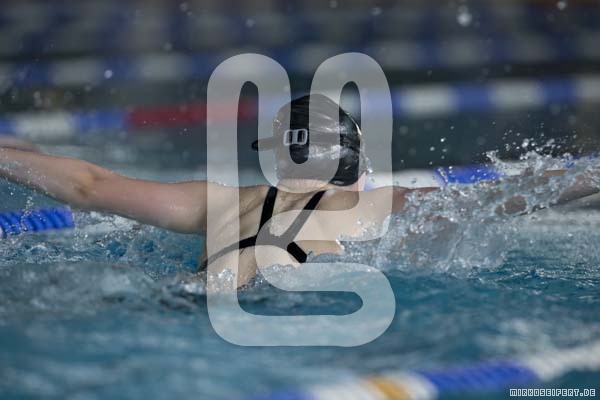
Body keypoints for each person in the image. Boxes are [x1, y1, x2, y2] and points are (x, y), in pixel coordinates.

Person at [0, 94, 598, 288]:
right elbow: (518, 192)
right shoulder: (378, 204)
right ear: (355, 162)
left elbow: (88, 184)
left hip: (174, 302)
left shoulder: (213, 200)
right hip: (268, 311)